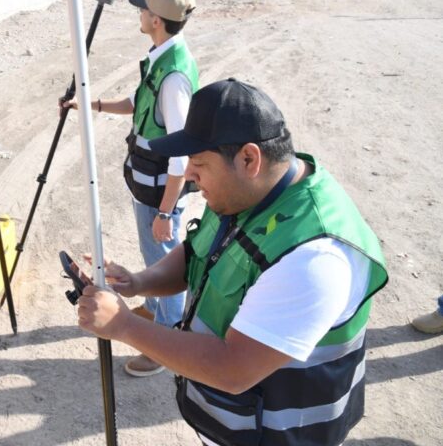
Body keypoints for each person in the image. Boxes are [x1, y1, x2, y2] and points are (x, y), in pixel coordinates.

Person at [76, 79, 389, 446]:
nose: (189, 176)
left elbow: (232, 369)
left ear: (248, 159)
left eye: (198, 163)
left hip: (280, 436)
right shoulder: (252, 192)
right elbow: (198, 251)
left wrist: (124, 325)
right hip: (240, 424)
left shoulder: (314, 259)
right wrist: (140, 282)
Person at [63, 0, 199, 377]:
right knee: (152, 256)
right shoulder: (162, 55)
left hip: (162, 193)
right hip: (151, 187)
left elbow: (180, 155)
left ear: (155, 20)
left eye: (143, 9)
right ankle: (155, 310)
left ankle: (165, 346)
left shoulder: (173, 78)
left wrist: (166, 212)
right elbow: (139, 103)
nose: (139, 13)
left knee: (162, 259)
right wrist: (94, 105)